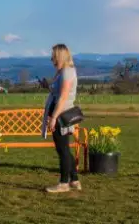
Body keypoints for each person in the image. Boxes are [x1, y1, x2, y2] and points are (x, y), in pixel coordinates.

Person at [41, 43, 81, 193]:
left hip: (61, 115)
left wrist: (54, 117)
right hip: (59, 114)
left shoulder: (67, 72)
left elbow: (63, 97)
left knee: (62, 150)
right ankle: (74, 180)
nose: (51, 59)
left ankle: (64, 183)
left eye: (53, 56)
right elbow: (58, 92)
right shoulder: (62, 72)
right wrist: (48, 87)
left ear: (60, 56)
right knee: (63, 148)